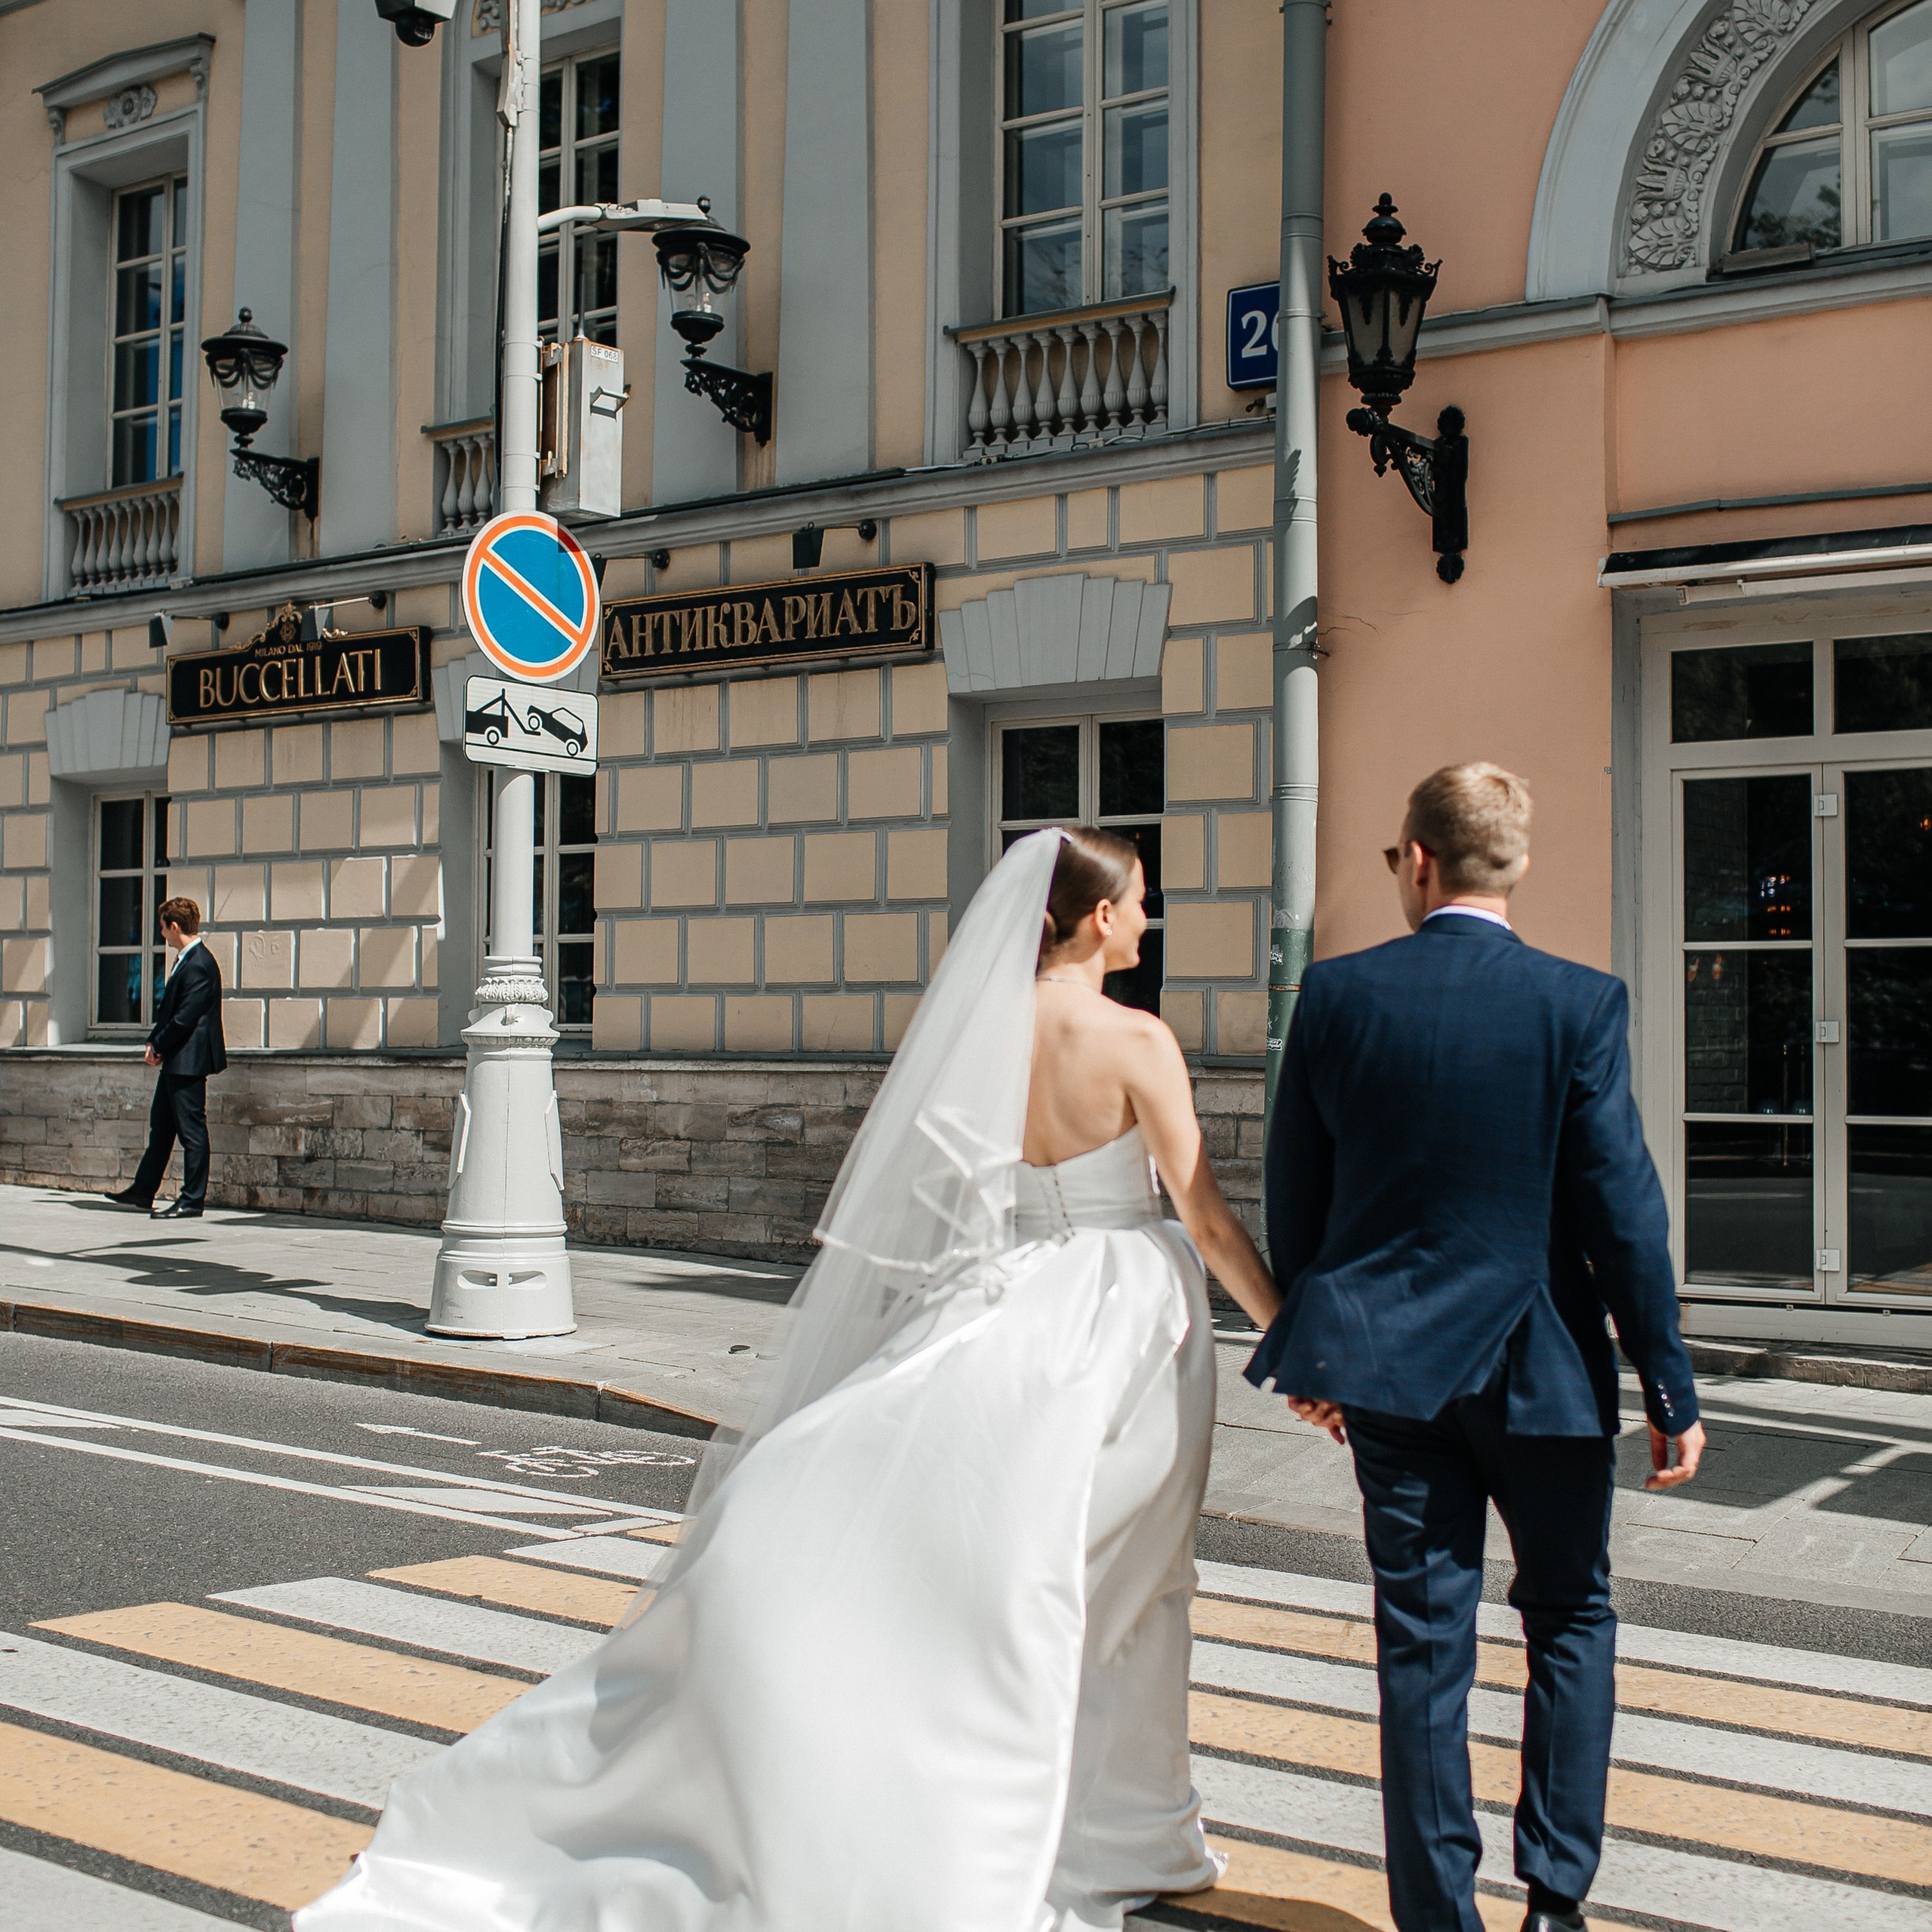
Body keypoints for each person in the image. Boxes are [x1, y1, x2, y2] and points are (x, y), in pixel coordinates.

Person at [295, 826, 1281, 1932]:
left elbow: (949, 1197)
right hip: (1119, 1321)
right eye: (1138, 899)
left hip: (1004, 1307)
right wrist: (1285, 1331)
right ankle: (1125, 1829)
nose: (1147, 916)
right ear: (1098, 917)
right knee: (1134, 1582)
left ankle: (1036, 1818)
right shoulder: (1135, 1038)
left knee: (1007, 1584)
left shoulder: (982, 1031)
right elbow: (1204, 1216)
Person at [1247, 762, 1704, 1932]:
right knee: (1571, 1617)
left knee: (1422, 1648)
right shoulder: (1578, 1003)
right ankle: (1555, 1903)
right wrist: (1669, 1383)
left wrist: (1315, 1353)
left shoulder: (1336, 997)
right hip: (1543, 1373)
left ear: (1417, 860)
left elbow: (1298, 1202)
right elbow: (1624, 1216)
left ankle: (1437, 1918)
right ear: (1520, 864)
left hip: (1393, 1379)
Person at [104, 895, 228, 1221]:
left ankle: (192, 1200)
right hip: (178, 1059)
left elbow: (186, 1017)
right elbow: (173, 1012)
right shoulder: (187, 960)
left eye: (162, 928)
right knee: (161, 1126)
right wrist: (155, 1040)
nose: (161, 934)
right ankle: (143, 1190)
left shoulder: (199, 963)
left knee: (192, 1133)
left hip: (189, 1061)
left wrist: (157, 1044)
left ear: (174, 927)